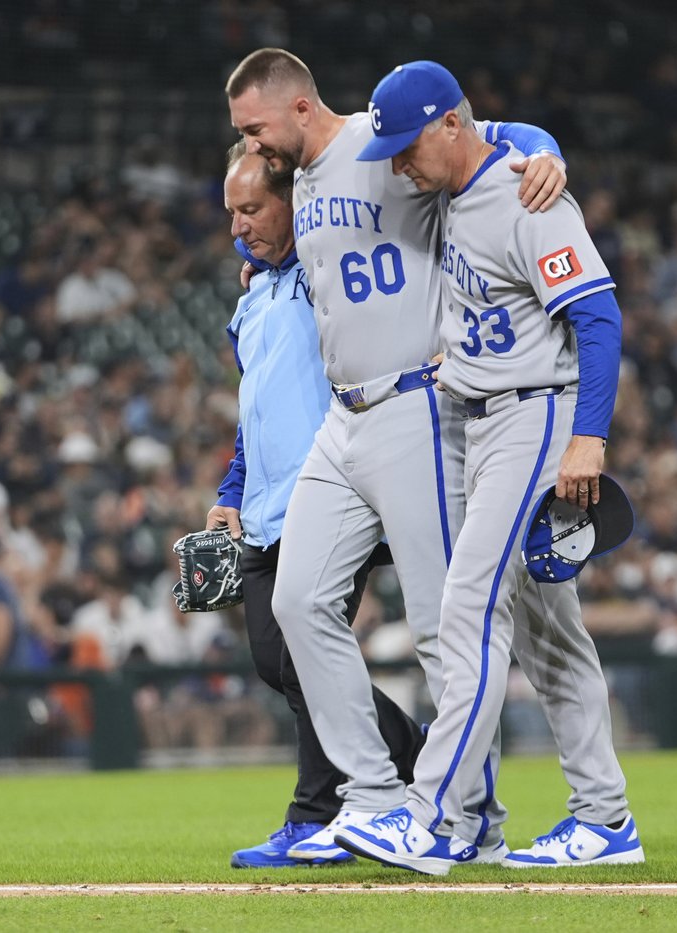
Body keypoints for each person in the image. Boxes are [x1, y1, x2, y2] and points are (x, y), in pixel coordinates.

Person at [226, 48, 567, 862]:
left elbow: (486, 130)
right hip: (343, 422)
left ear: (301, 108)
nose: (250, 142)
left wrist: (547, 148)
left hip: (416, 406)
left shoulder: (376, 145)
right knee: (297, 600)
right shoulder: (298, 178)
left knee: (439, 628)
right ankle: (373, 796)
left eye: (256, 127)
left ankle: (468, 816)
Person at [335, 61, 641, 874]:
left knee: (468, 607)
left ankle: (429, 817)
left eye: (409, 144)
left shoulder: (524, 193)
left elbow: (599, 318)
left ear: (450, 125)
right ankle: (605, 818)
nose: (399, 161)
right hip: (482, 413)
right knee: (550, 635)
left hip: (538, 414)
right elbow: (504, 138)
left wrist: (589, 437)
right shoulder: (463, 186)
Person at [207, 144, 424, 868]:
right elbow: (253, 412)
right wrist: (230, 494)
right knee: (276, 659)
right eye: (232, 212)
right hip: (267, 506)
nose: (239, 227)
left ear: (291, 202)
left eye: (252, 209)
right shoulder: (250, 300)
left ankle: (317, 813)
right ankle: (410, 750)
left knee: (303, 647)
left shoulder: (328, 273)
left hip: (332, 491)